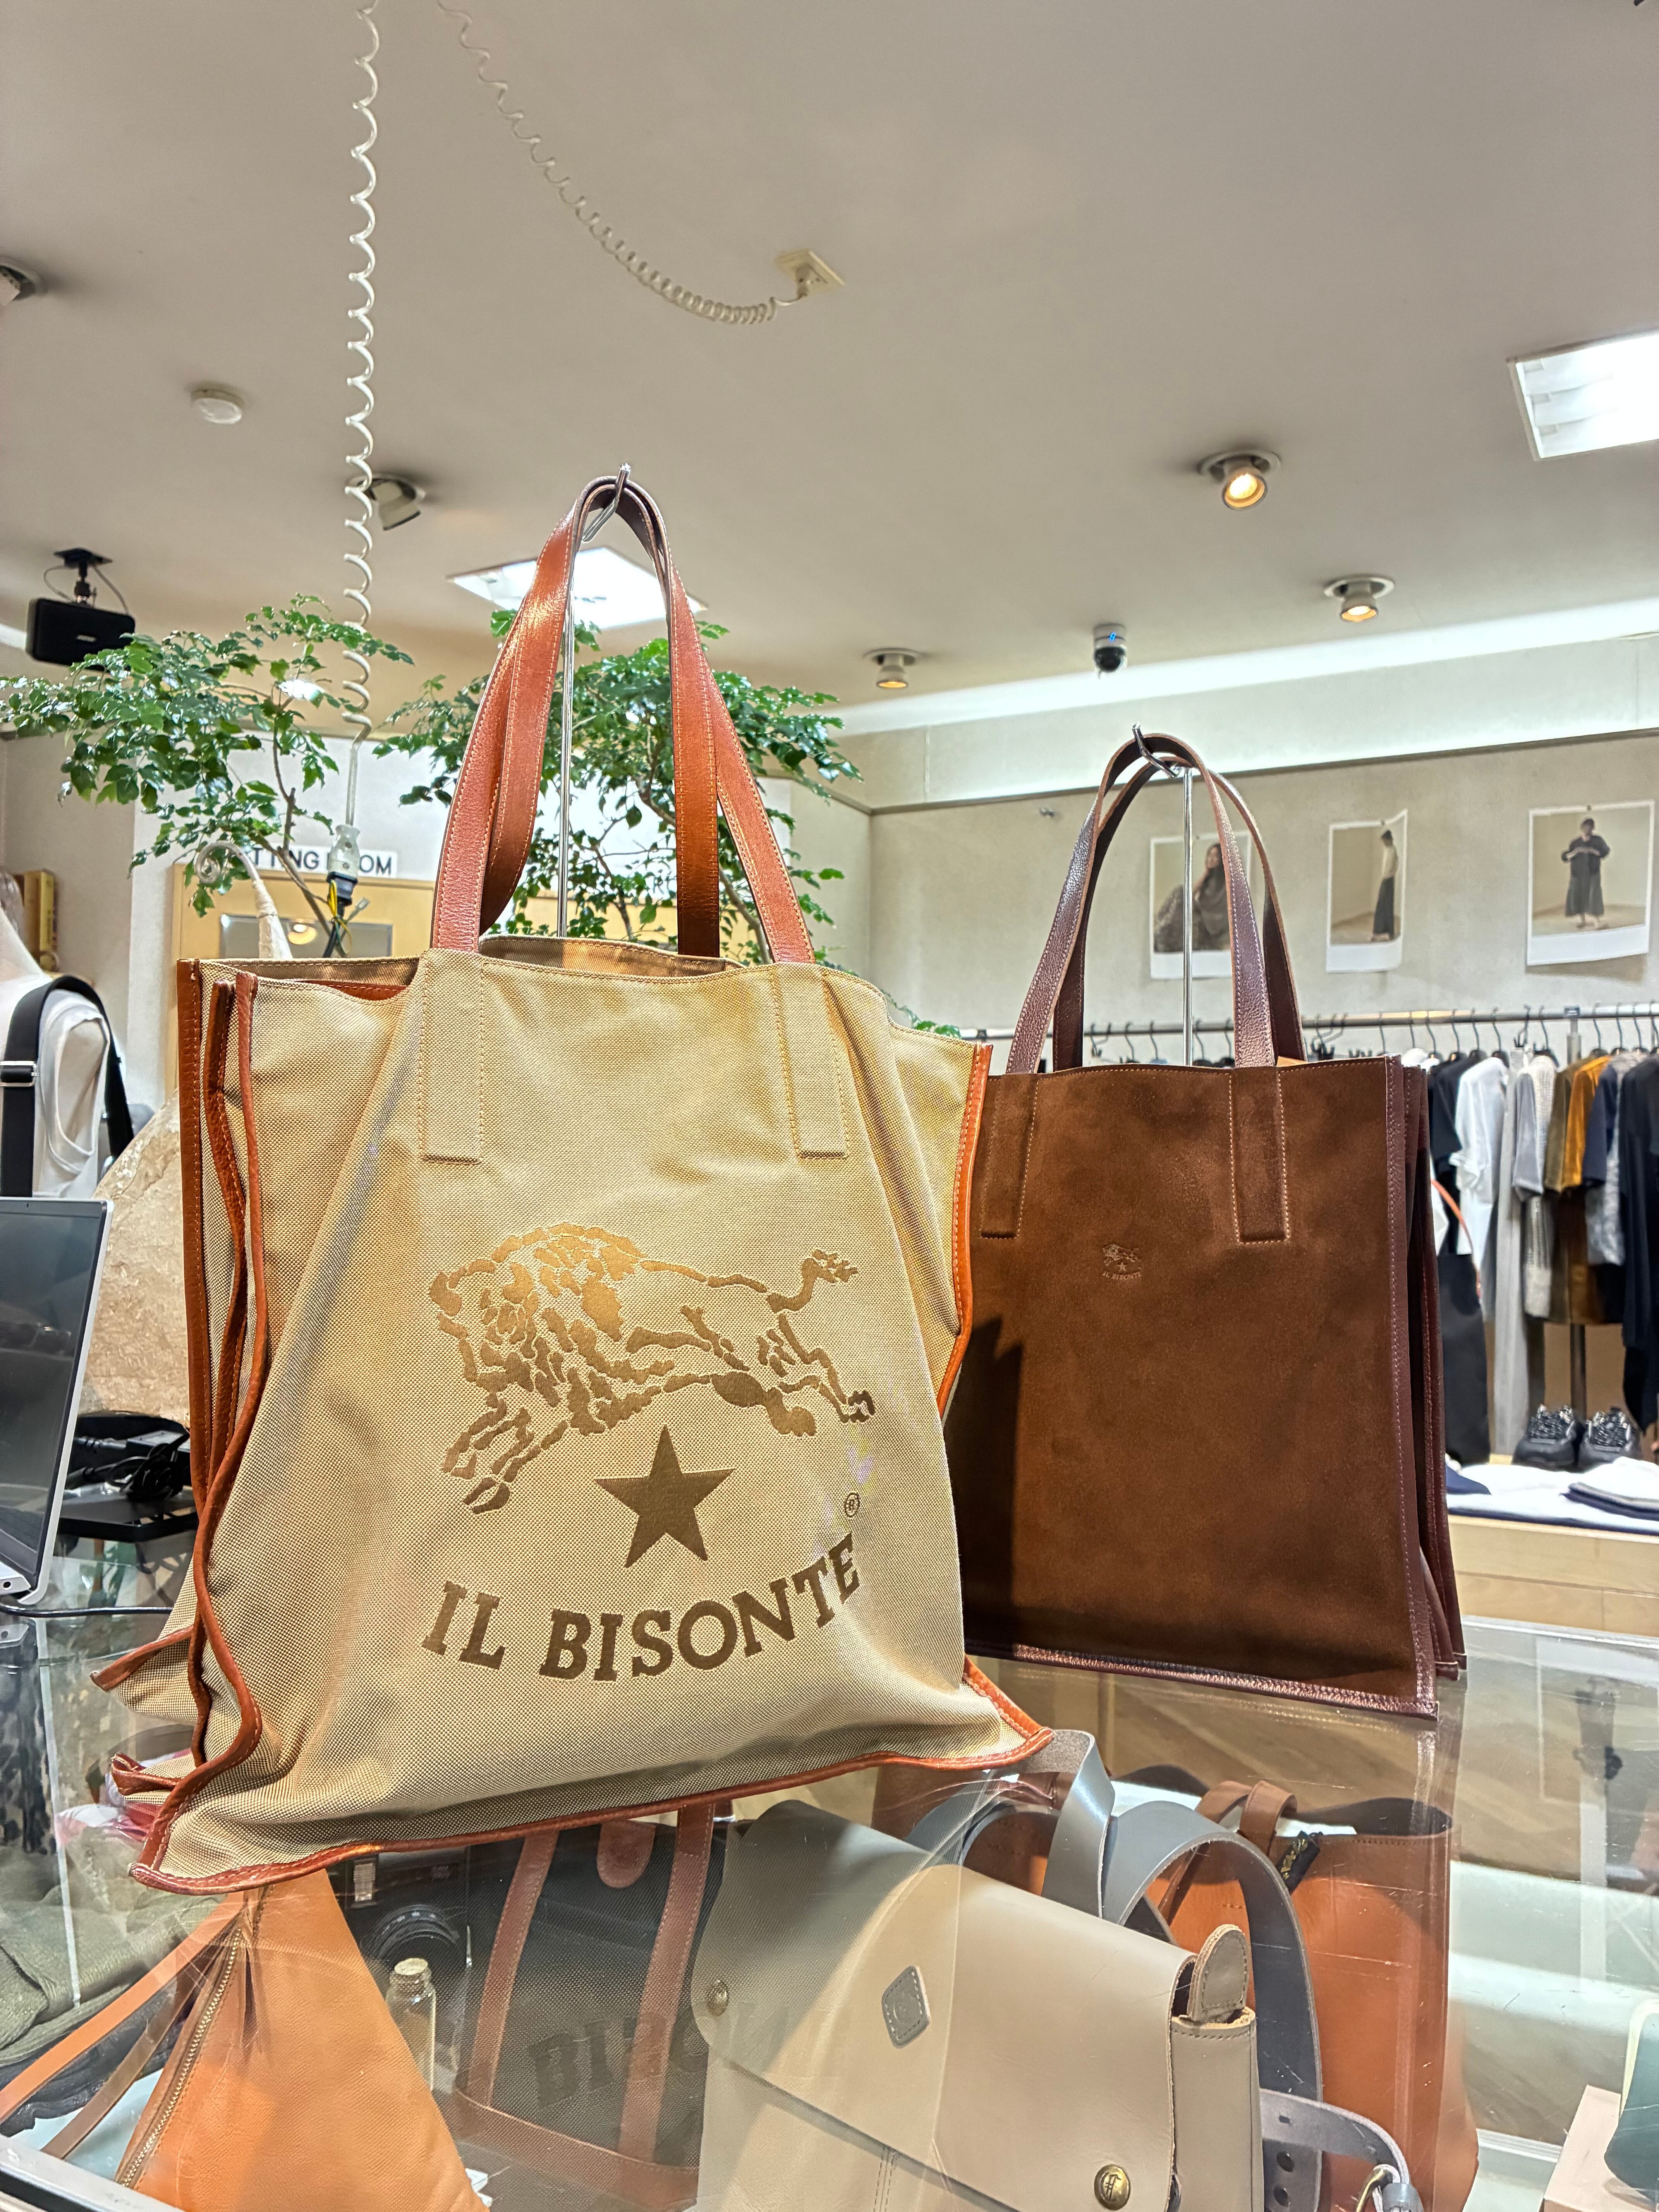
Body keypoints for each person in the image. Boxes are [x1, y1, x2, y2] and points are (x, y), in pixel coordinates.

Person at [1153, 841, 1229, 954]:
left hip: (1209, 926)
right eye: (1210, 855)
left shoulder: (1224, 882)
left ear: (1222, 859)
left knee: (1181, 896)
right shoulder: (1208, 878)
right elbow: (1190, 894)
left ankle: (1162, 929)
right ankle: (1162, 927)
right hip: (1201, 916)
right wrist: (1206, 873)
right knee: (1180, 892)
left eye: (1216, 856)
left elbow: (1220, 912)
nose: (1211, 859)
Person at [1563, 816, 1610, 929]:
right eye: (1585, 827)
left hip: (1593, 873)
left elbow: (1605, 852)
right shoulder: (1575, 843)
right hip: (1578, 874)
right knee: (1579, 895)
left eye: (1589, 828)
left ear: (1593, 829)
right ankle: (1583, 921)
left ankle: (1597, 922)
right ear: (1582, 828)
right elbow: (1566, 857)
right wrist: (1576, 852)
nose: (1587, 830)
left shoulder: (1598, 840)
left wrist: (1592, 851)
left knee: (1594, 896)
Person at [1371, 826, 1400, 941]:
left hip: (1389, 879)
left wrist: (1390, 876)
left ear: (1389, 839)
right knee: (1381, 905)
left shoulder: (1393, 850)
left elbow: (1395, 865)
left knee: (1387, 905)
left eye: (1385, 841)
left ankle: (1389, 933)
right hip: (1385, 879)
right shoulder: (1387, 850)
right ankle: (1378, 932)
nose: (1384, 843)